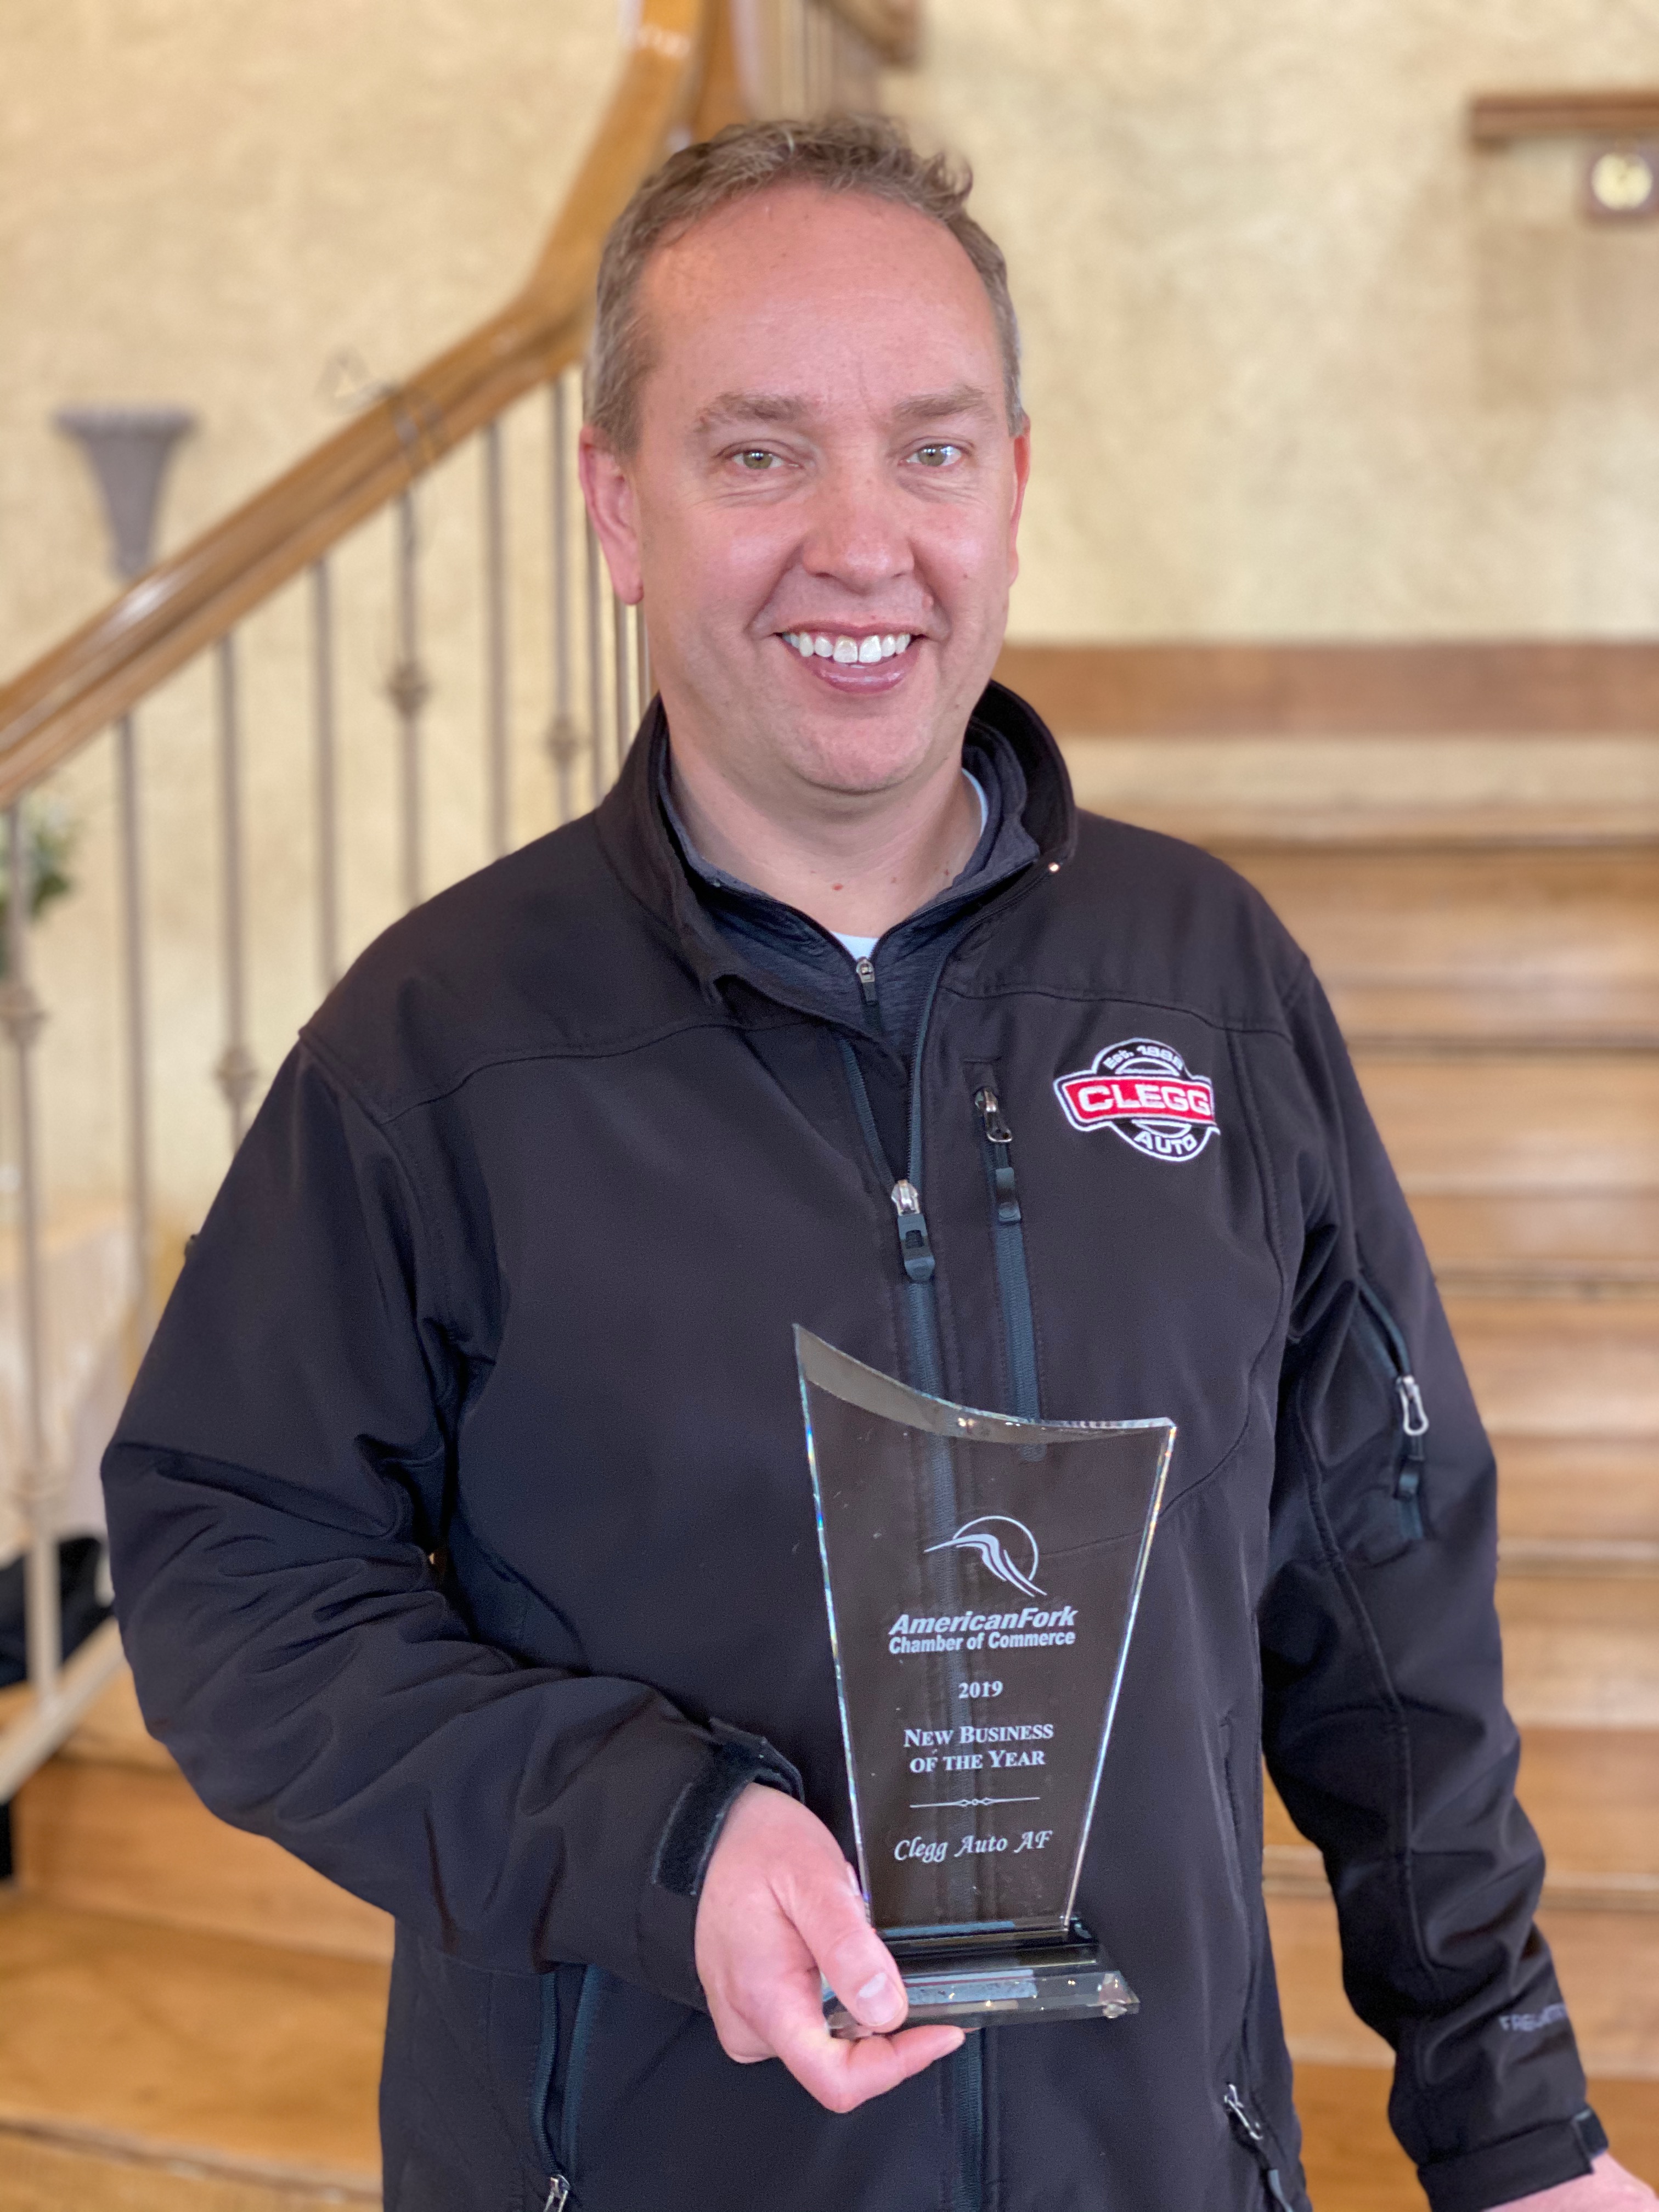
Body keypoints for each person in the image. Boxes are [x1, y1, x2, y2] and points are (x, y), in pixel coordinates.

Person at [103, 116, 1654, 2212]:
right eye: (757, 453)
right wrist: (658, 1836)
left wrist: (1517, 2123)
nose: (861, 540)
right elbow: (228, 1572)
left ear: (1014, 488)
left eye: (930, 450)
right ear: (616, 507)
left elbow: (1384, 1598)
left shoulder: (1207, 987)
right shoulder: (442, 1047)